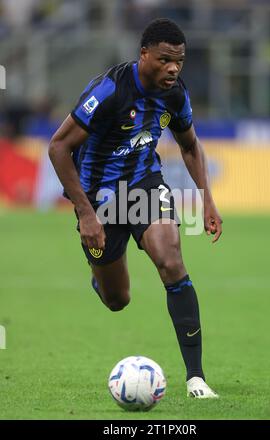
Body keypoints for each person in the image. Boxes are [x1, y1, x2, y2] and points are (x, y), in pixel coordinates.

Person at [49, 18, 223, 399]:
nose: (173, 69)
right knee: (117, 300)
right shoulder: (108, 91)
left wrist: (207, 196)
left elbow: (190, 145)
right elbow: (58, 147)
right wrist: (85, 213)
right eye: (164, 60)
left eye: (179, 61)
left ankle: (196, 378)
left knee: (171, 260)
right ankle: (101, 277)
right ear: (143, 55)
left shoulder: (175, 93)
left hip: (144, 187)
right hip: (99, 199)